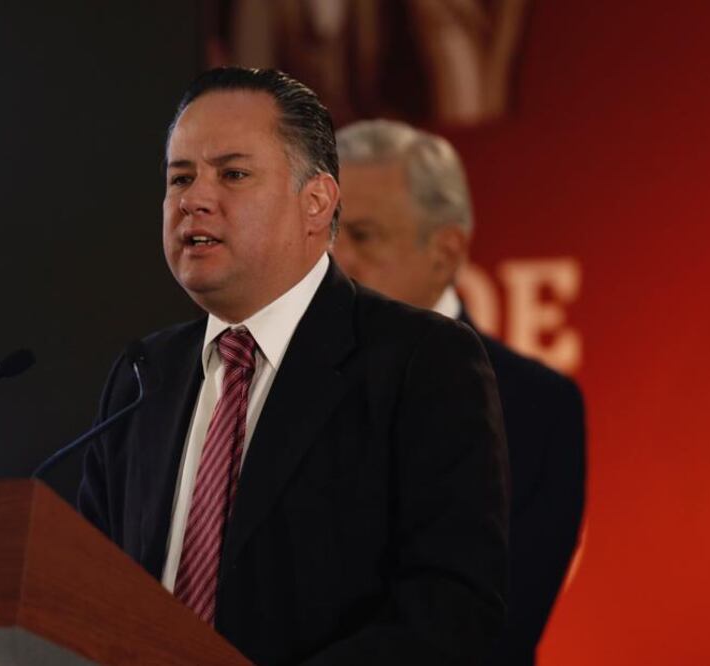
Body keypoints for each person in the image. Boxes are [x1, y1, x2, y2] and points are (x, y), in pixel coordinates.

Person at [78, 68, 508, 665]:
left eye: (233, 174)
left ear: (316, 202)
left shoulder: (421, 361)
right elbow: (86, 595)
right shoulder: (144, 375)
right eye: (180, 177)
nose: (194, 199)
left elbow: (451, 612)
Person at [332, 119, 586, 665]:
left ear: (445, 252)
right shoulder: (278, 381)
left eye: (363, 235)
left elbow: (496, 625)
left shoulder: (536, 406)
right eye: (327, 234)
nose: (335, 259)